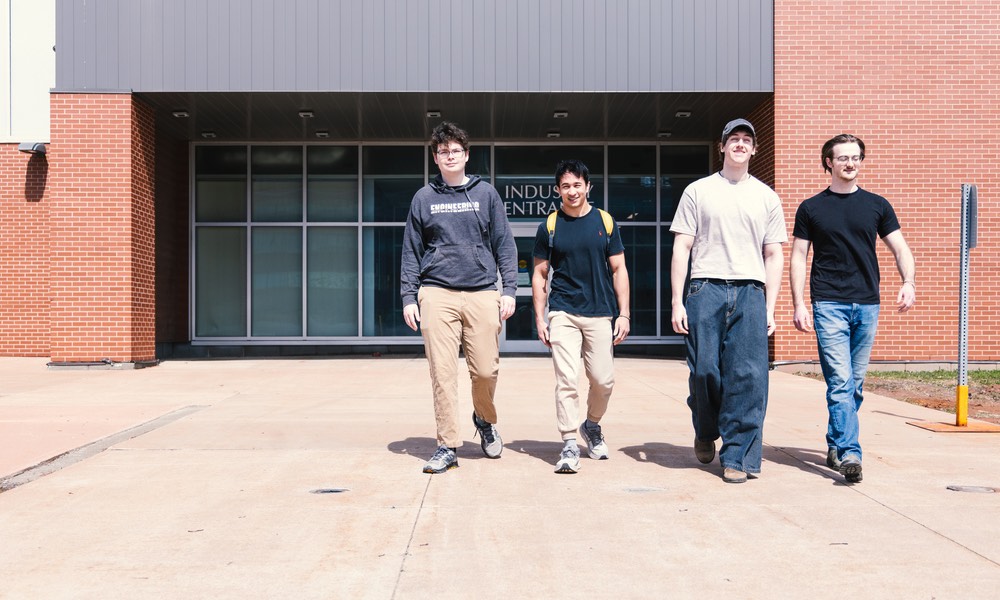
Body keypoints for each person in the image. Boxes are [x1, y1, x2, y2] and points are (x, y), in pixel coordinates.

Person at [790, 134, 915, 484]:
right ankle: (850, 453)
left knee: (854, 384)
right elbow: (799, 256)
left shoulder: (877, 205)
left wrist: (909, 281)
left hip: (867, 304)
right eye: (843, 157)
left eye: (856, 157)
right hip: (828, 302)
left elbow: (900, 248)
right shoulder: (811, 208)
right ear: (828, 162)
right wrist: (799, 303)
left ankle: (835, 443)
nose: (850, 163)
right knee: (840, 382)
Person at [669, 118, 787, 484]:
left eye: (746, 140)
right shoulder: (698, 191)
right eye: (732, 139)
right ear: (721, 147)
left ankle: (738, 456)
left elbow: (774, 254)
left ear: (754, 150)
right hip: (706, 289)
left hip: (751, 290)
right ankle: (706, 430)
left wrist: (770, 307)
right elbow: (682, 247)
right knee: (705, 371)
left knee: (749, 377)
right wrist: (677, 301)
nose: (739, 144)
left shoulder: (766, 196)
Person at [400, 121, 518, 474]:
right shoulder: (424, 198)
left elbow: (505, 245)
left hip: (482, 291)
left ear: (467, 155)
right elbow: (411, 250)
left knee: (485, 370)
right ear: (435, 158)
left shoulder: (486, 195)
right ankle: (447, 444)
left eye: (455, 151)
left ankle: (484, 419)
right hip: (436, 291)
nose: (449, 156)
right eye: (442, 152)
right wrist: (409, 296)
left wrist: (508, 289)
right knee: (443, 372)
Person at [531, 159, 631, 474]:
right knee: (566, 379)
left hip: (601, 312)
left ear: (587, 186)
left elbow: (619, 269)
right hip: (562, 311)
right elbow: (539, 273)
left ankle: (592, 424)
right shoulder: (550, 225)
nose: (572, 191)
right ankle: (569, 442)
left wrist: (624, 313)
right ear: (557, 190)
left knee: (603, 380)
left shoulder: (605, 221)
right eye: (565, 186)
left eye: (577, 184)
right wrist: (539, 317)